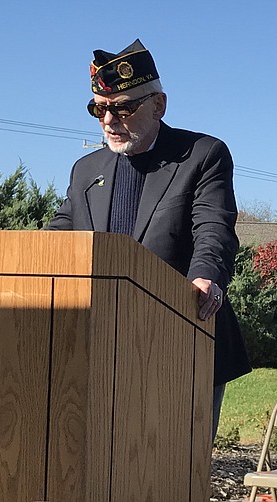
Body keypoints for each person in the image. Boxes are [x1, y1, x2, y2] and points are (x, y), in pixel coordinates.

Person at [46, 39, 251, 435]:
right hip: (96, 343)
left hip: (182, 337)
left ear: (158, 105)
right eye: (99, 108)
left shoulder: (201, 154)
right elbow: (61, 235)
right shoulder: (86, 169)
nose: (109, 119)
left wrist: (205, 279)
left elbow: (214, 228)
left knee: (174, 470)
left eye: (123, 106)